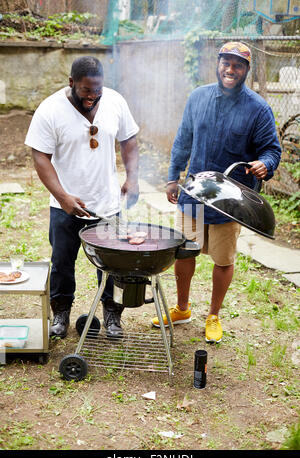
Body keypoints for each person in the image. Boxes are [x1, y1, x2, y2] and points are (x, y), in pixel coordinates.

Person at [151, 42, 281, 343]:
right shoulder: (198, 97)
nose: (230, 70)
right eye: (226, 63)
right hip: (194, 192)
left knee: (223, 260)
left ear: (246, 70)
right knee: (185, 252)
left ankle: (213, 316)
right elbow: (183, 139)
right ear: (218, 64)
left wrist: (266, 163)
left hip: (230, 202)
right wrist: (173, 178)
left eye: (237, 65)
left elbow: (271, 149)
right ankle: (183, 309)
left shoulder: (258, 109)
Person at [25, 56, 140, 339]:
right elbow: (40, 156)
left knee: (113, 264)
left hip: (107, 204)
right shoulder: (51, 109)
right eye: (86, 90)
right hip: (65, 206)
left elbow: (129, 140)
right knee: (63, 262)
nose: (92, 96)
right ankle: (60, 314)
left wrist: (133, 177)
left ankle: (113, 316)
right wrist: (63, 197)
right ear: (71, 83)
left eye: (97, 89)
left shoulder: (115, 102)